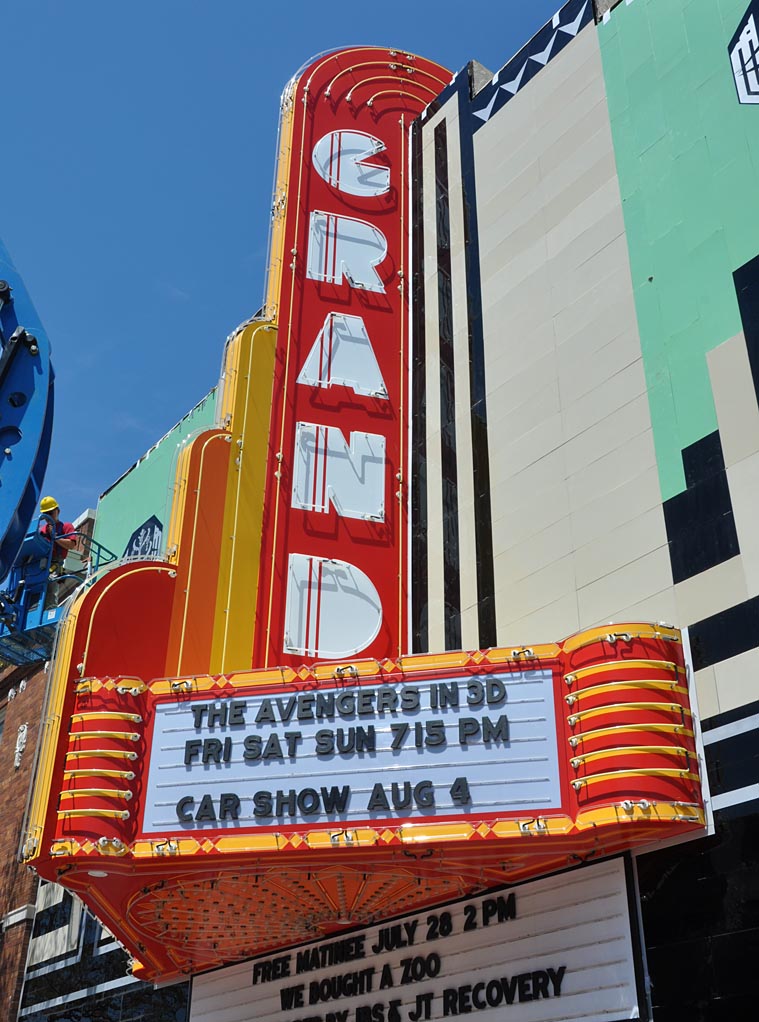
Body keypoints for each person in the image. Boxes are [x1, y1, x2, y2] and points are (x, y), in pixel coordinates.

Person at [39, 496, 77, 572]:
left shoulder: (66, 527)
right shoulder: (41, 529)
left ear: (58, 511)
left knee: (51, 582)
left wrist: (55, 537)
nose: (48, 516)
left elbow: (71, 545)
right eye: (45, 514)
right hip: (40, 562)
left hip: (55, 564)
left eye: (50, 513)